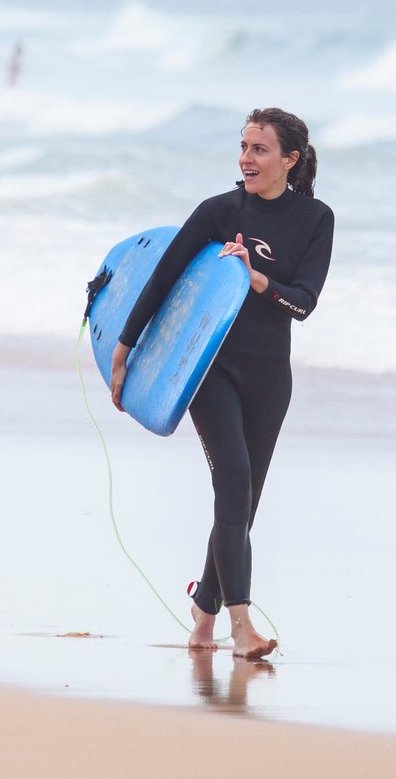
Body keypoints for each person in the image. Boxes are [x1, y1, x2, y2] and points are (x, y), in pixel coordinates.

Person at [110, 107, 333, 661]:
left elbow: (302, 304)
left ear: (290, 159)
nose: (246, 158)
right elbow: (162, 280)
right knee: (232, 476)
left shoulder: (316, 220)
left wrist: (255, 279)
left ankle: (202, 612)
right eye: (243, 147)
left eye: (260, 149)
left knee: (244, 499)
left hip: (268, 375)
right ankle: (241, 625)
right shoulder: (218, 212)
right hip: (207, 367)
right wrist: (124, 349)